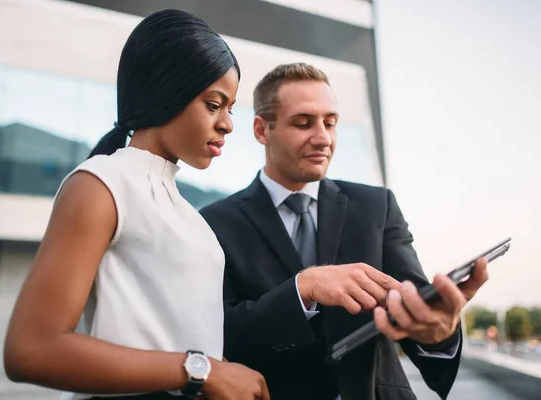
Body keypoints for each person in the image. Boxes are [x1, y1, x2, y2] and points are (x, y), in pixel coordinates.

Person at [3, 9, 270, 400]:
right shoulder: (100, 185)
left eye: (229, 108)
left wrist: (219, 372)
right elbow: (31, 350)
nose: (228, 123)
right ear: (167, 92)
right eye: (214, 104)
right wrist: (203, 371)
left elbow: (180, 338)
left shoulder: (188, 214)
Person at [199, 63, 490, 400]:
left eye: (331, 123)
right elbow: (218, 334)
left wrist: (440, 332)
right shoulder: (214, 222)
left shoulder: (377, 206)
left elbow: (415, 305)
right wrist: (301, 291)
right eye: (304, 123)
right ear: (262, 130)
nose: (323, 138)